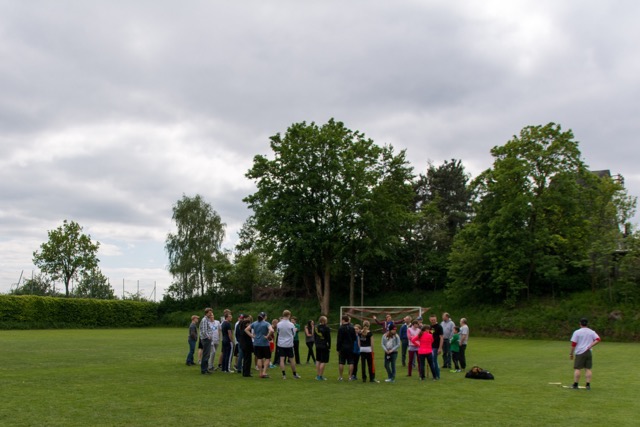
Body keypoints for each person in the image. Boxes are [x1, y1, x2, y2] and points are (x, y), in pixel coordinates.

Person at [569, 317, 601, 390]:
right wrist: (590, 345)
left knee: (577, 368)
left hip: (580, 352)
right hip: (588, 352)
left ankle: (575, 384)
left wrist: (571, 353)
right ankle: (588, 385)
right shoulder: (591, 332)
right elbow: (598, 339)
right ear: (587, 324)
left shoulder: (577, 332)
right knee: (588, 369)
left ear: (580, 324)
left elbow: (573, 344)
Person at [246, 311, 274, 379]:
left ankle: (260, 373)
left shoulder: (254, 323)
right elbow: (272, 330)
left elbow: (246, 329)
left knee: (259, 358)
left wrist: (252, 336)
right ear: (265, 317)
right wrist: (267, 336)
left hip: (256, 343)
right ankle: (264, 372)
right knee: (267, 358)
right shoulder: (266, 323)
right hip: (265, 344)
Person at [277, 310, 301, 379]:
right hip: (289, 344)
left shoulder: (279, 324)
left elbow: (278, 332)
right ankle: (294, 374)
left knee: (282, 359)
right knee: (291, 359)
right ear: (289, 315)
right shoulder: (291, 324)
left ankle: (284, 375)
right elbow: (293, 334)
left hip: (281, 344)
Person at [337, 314, 357, 381]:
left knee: (341, 362)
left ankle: (341, 376)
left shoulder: (341, 328)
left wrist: (338, 348)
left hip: (342, 347)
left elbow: (339, 339)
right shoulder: (352, 328)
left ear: (343, 320)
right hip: (350, 347)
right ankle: (350, 377)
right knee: (351, 362)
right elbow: (354, 338)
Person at [314, 315, 331, 381]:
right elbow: (328, 338)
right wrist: (329, 347)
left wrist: (316, 343)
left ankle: (318, 375)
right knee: (323, 361)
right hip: (324, 345)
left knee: (318, 360)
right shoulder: (326, 328)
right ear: (324, 321)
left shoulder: (316, 327)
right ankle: (320, 376)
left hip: (318, 345)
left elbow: (315, 337)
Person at [199, 308, 215, 375]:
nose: (210, 314)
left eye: (211, 313)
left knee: (207, 355)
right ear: (206, 313)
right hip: (206, 339)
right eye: (209, 313)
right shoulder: (205, 320)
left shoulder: (207, 319)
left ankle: (206, 369)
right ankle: (203, 370)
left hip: (207, 339)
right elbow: (204, 330)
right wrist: (208, 336)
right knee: (206, 355)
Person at [429, 314, 443, 380]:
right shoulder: (431, 327)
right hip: (431, 346)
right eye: (432, 320)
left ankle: (437, 375)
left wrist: (440, 348)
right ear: (430, 320)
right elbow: (430, 336)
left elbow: (441, 338)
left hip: (436, 346)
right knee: (433, 361)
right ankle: (435, 375)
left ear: (436, 319)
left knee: (434, 361)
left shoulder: (439, 327)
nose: (433, 321)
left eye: (434, 320)